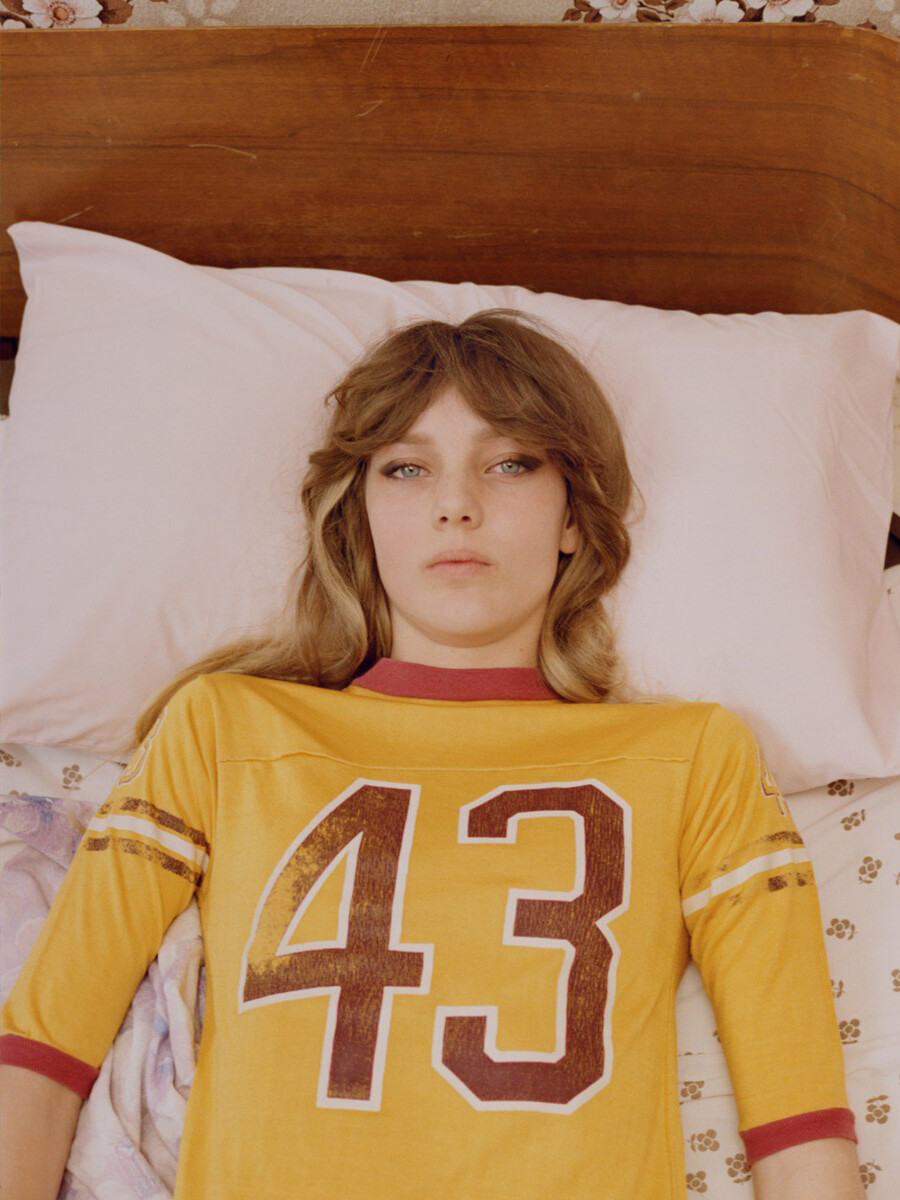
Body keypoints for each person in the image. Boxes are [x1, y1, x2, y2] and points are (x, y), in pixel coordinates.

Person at [0, 309, 864, 1199]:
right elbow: (47, 1046)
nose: (458, 504)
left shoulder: (695, 756)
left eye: (511, 462)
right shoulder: (223, 727)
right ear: (361, 517)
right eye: (407, 469)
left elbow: (797, 1118)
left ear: (574, 515)